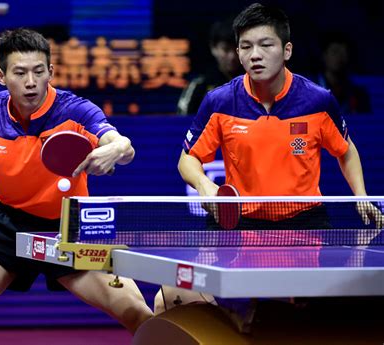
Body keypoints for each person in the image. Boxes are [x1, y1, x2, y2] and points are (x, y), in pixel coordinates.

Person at [0, 28, 153, 344]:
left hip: (71, 229)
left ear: (51, 72)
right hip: (6, 228)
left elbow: (122, 146)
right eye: (20, 72)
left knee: (138, 313)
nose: (30, 82)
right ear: (1, 76)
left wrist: (117, 147)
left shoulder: (75, 110)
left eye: (39, 72)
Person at [156, 3, 382, 314]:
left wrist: (361, 195)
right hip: (237, 222)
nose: (255, 55)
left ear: (286, 50)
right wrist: (204, 184)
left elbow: (346, 150)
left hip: (304, 223)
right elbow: (187, 159)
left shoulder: (317, 100)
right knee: (168, 296)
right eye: (246, 47)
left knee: (322, 303)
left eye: (266, 45)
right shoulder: (220, 102)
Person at [177, 18, 243, 115]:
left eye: (237, 49)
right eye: (226, 50)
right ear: (213, 48)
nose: (232, 56)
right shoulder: (199, 85)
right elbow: (182, 121)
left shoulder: (257, 83)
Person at [313, 32, 371, 114]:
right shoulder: (308, 90)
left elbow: (366, 123)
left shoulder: (359, 94)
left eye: (344, 53)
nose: (339, 57)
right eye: (335, 52)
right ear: (324, 55)